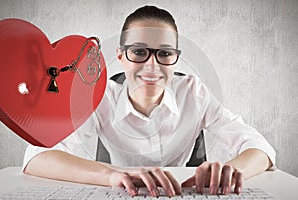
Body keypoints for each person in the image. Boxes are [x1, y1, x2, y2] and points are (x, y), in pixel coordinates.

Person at [23, 5, 275, 197]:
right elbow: (38, 157)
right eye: (139, 52)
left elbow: (260, 148)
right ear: (120, 56)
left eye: (164, 53)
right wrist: (113, 175)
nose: (152, 65)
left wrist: (231, 170)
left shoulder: (193, 93)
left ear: (176, 58)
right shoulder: (102, 97)